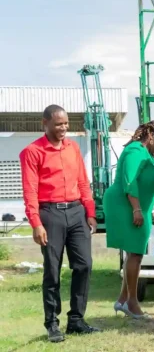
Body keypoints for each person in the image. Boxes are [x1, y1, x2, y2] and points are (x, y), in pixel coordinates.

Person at [19, 105, 101, 342]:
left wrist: (90, 212)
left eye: (66, 123)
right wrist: (36, 222)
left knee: (84, 265)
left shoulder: (73, 148)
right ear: (45, 123)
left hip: (76, 212)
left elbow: (84, 182)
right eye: (58, 124)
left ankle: (76, 320)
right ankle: (52, 323)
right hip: (50, 214)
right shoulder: (32, 152)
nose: (64, 128)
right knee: (52, 271)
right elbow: (30, 191)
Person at [104, 121, 154, 319]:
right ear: (150, 135)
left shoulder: (146, 153)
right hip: (125, 206)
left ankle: (123, 301)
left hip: (138, 207)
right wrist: (137, 210)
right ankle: (132, 303)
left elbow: (145, 185)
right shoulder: (134, 150)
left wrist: (149, 210)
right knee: (136, 254)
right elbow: (129, 182)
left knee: (134, 254)